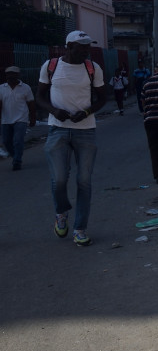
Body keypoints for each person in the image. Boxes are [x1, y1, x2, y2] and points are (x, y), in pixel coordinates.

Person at [36, 30, 108, 246]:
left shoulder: (92, 68)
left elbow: (102, 98)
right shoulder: (51, 66)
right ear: (68, 47)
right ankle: (61, 213)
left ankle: (80, 228)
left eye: (87, 47)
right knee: (59, 179)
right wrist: (53, 110)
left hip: (85, 130)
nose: (85, 51)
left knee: (84, 181)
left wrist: (86, 112)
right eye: (81, 47)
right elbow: (40, 96)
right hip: (57, 129)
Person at [1, 65, 36, 171]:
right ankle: (15, 156)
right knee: (6, 141)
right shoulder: (1, 88)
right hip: (5, 119)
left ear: (18, 75)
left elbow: (31, 104)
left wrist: (33, 117)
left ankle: (17, 161)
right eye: (8, 74)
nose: (10, 76)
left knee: (17, 140)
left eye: (12, 74)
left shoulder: (25, 88)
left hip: (21, 119)